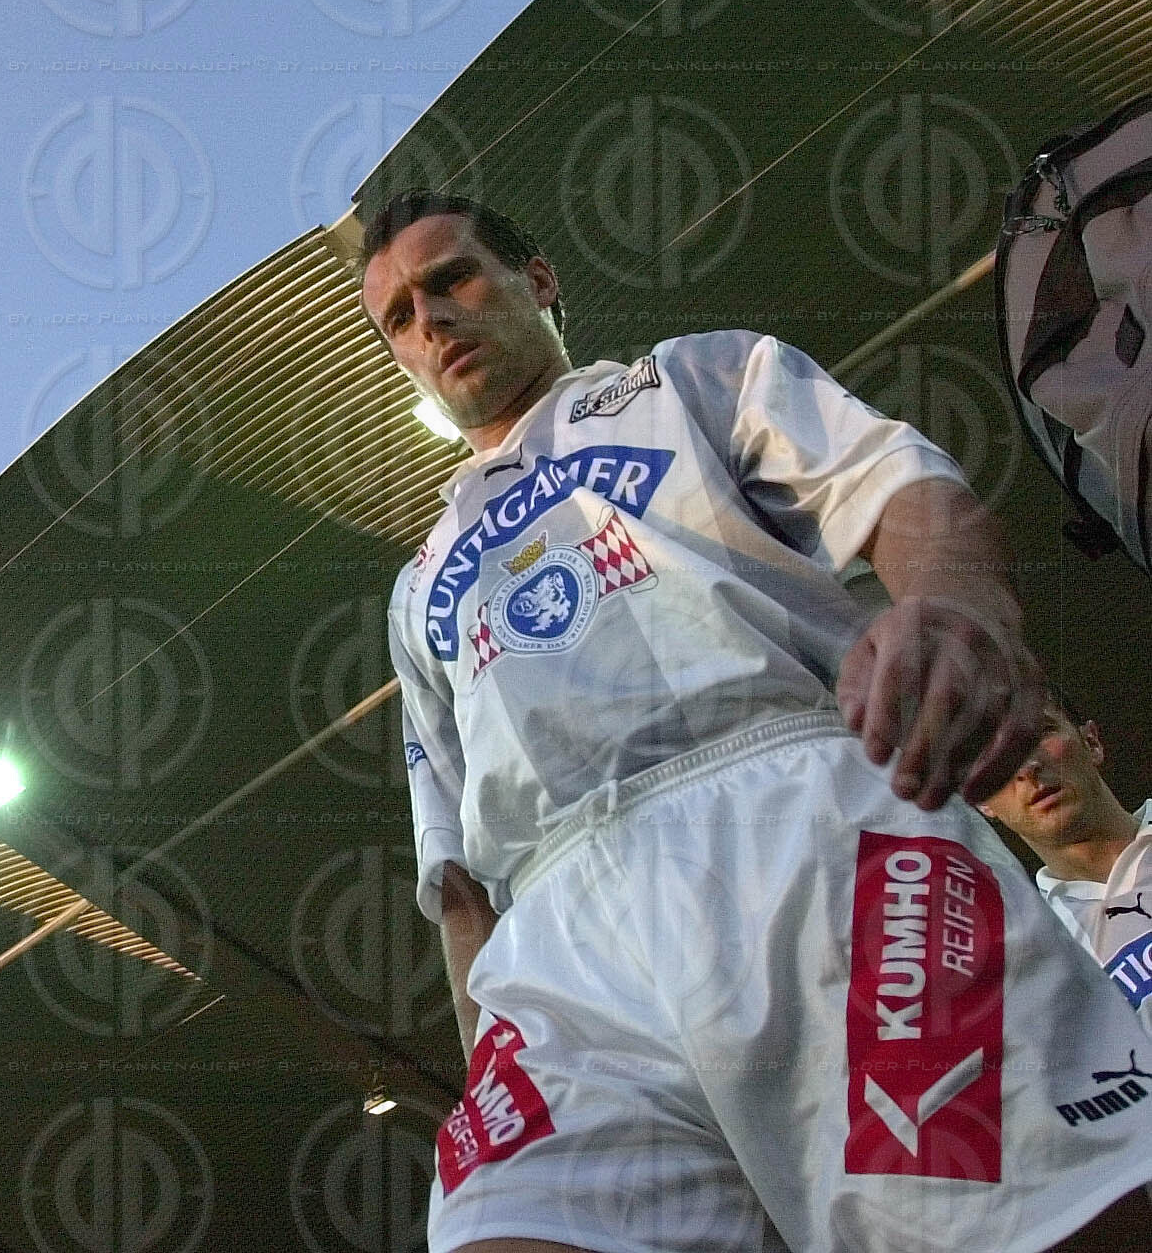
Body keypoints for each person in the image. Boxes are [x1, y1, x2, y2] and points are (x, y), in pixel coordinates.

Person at [365, 188, 1152, 1253]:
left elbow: (905, 489)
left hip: (807, 839)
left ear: (537, 280)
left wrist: (957, 612)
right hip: (557, 951)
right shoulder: (416, 589)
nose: (431, 321)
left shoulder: (693, 377)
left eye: (450, 278)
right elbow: (456, 875)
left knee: (1040, 1224)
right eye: (399, 317)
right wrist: (481, 1061)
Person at [979, 693, 1152, 1031]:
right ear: (982, 802)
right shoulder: (1035, 959)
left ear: (1091, 743)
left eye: (1038, 734)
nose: (1026, 768)